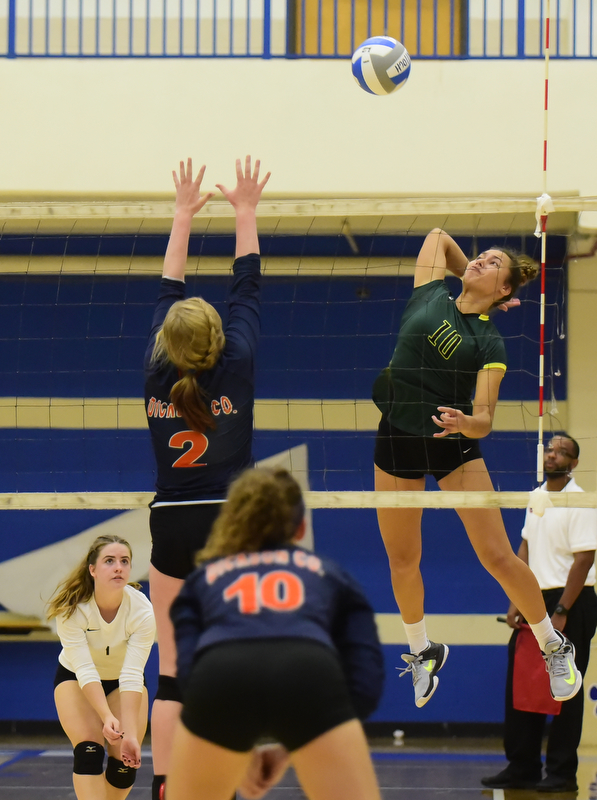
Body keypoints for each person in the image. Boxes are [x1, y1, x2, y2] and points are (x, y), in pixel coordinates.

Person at [372, 228, 582, 707]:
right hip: (397, 436)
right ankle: (422, 650)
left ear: (504, 289)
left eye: (491, 265)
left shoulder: (489, 342)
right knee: (402, 558)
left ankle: (553, 643)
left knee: (497, 556)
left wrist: (467, 421)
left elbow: (485, 420)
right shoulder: (431, 292)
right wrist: (476, 271)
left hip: (451, 442)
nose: (479, 263)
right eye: (481, 258)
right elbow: (438, 237)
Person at [144, 155, 270, 800]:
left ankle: (167, 785)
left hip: (171, 519)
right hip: (231, 521)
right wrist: (244, 211)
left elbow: (169, 290)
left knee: (170, 670)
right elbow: (247, 285)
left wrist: (181, 214)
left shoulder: (156, 370)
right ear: (219, 338)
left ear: (169, 342)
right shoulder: (239, 358)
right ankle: (227, 782)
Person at [165, 466, 385, 800]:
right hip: (308, 672)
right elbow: (366, 676)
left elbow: (188, 673)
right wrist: (315, 731)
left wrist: (231, 740)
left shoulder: (202, 579)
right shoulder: (331, 574)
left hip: (221, 676)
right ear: (301, 528)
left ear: (232, 519)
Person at [482, 434, 597, 793]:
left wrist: (562, 609)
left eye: (563, 451)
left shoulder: (582, 501)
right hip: (534, 597)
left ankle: (562, 772)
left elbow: (584, 559)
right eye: (550, 448)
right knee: (523, 683)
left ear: (574, 463)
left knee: (566, 689)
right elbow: (526, 546)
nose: (553, 454)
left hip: (571, 601)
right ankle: (523, 767)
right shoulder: (536, 497)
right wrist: (516, 598)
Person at [46, 534, 156, 800]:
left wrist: (128, 731)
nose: (119, 567)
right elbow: (84, 669)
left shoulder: (142, 611)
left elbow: (132, 674)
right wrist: (106, 716)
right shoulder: (73, 609)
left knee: (124, 763)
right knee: (88, 752)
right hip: (76, 679)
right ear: (92, 569)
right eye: (109, 561)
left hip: (123, 682)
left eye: (124, 561)